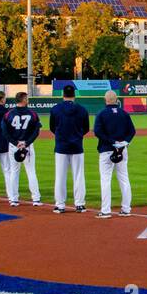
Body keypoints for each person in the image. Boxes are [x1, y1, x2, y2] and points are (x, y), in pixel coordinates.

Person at [94, 90, 136, 218]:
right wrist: (124, 143)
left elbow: (98, 132)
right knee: (124, 178)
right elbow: (132, 131)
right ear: (116, 100)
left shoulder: (102, 113)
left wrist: (112, 142)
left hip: (106, 150)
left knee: (105, 180)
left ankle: (106, 210)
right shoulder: (124, 113)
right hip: (122, 150)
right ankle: (126, 209)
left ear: (105, 100)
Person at [49, 84, 90, 213]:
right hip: (77, 146)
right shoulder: (82, 109)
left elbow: (52, 127)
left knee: (60, 176)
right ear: (74, 95)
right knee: (79, 176)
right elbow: (86, 128)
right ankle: (80, 204)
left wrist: (61, 136)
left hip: (61, 146)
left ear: (63, 95)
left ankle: (60, 205)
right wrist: (77, 136)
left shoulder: (55, 109)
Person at [3, 92, 43, 207]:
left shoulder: (8, 114)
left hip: (13, 147)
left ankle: (13, 199)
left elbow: (5, 132)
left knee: (14, 172)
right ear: (24, 100)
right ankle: (36, 199)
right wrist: (26, 143)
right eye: (27, 98)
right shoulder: (32, 114)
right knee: (31, 172)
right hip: (27, 146)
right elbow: (36, 131)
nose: (28, 100)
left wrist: (16, 143)